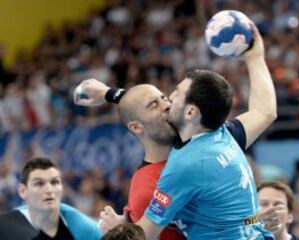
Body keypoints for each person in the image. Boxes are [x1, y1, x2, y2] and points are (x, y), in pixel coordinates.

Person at [76, 22, 276, 239]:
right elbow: (265, 112)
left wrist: (120, 230)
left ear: (190, 113)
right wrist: (109, 93)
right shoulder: (219, 134)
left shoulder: (180, 168)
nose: (168, 101)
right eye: (158, 102)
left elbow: (143, 234)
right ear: (135, 127)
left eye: (173, 94)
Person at [0, 157, 102, 240]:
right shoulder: (6, 226)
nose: (49, 190)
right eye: (39, 183)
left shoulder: (85, 230)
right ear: (23, 191)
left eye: (54, 182)